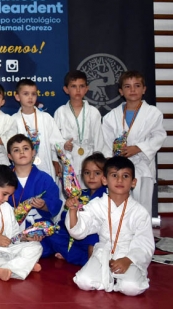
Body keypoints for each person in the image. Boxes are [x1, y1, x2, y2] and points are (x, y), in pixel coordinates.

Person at [67, 156, 155, 296]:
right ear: (105, 180)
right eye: (114, 175)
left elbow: (145, 242)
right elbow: (79, 230)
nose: (119, 180)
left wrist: (127, 260)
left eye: (125, 176)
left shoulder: (139, 212)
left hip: (129, 255)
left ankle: (124, 276)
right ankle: (108, 277)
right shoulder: (97, 205)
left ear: (133, 182)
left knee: (131, 288)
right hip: (104, 253)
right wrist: (73, 211)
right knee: (84, 281)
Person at [101, 71, 166, 216]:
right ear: (121, 91)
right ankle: (119, 236)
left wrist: (137, 148)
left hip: (142, 167)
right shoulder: (110, 117)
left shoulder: (153, 113)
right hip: (118, 169)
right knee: (118, 206)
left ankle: (142, 238)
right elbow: (106, 144)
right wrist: (112, 160)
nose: (132, 90)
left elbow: (159, 136)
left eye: (137, 86)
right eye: (128, 86)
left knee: (142, 208)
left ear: (144, 89)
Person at [42, 153, 107, 265]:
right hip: (73, 236)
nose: (91, 177)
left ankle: (85, 260)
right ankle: (70, 254)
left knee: (94, 239)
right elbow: (65, 220)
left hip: (92, 240)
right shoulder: (79, 194)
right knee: (49, 232)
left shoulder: (106, 197)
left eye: (97, 173)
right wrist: (70, 207)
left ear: (105, 177)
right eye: (87, 173)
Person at [54, 71, 106, 188]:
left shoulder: (93, 112)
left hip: (89, 160)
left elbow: (99, 140)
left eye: (81, 86)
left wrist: (98, 166)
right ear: (66, 89)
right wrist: (63, 145)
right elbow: (55, 140)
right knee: (68, 198)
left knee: (89, 196)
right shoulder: (60, 112)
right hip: (68, 160)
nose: (78, 90)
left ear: (87, 88)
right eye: (73, 86)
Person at [13, 79, 66, 181]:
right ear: (17, 97)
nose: (30, 97)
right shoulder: (13, 120)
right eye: (26, 94)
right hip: (23, 168)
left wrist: (56, 159)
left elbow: (56, 142)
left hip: (45, 166)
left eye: (33, 94)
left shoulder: (46, 117)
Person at [6, 134, 62, 231]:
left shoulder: (44, 178)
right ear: (10, 156)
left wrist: (44, 205)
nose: (21, 152)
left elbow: (55, 202)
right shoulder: (4, 178)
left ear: (33, 152)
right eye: (16, 150)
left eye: (26, 148)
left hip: (39, 227)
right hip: (11, 227)